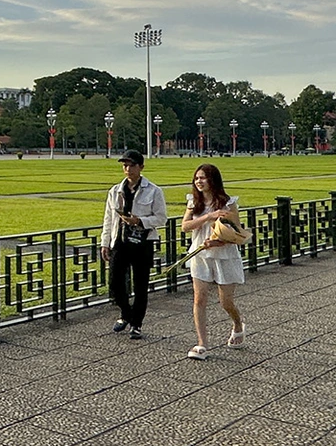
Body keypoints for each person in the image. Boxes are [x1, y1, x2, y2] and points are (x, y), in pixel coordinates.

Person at [180, 162, 246, 360]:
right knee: (199, 299)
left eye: (203, 178)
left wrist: (218, 241)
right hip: (200, 254)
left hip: (224, 254)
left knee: (226, 302)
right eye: (197, 178)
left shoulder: (227, 203)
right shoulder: (193, 202)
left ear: (213, 180)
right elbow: (185, 226)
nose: (199, 181)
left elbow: (238, 232)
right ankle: (202, 343)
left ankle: (237, 324)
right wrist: (208, 216)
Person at [102, 149, 166, 339]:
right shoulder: (115, 191)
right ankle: (125, 313)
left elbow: (161, 218)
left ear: (141, 167)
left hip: (142, 243)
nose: (127, 169)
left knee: (140, 285)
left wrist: (140, 221)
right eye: (125, 165)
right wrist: (105, 243)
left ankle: (136, 323)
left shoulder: (154, 191)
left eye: (131, 165)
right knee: (115, 282)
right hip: (120, 241)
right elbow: (108, 219)